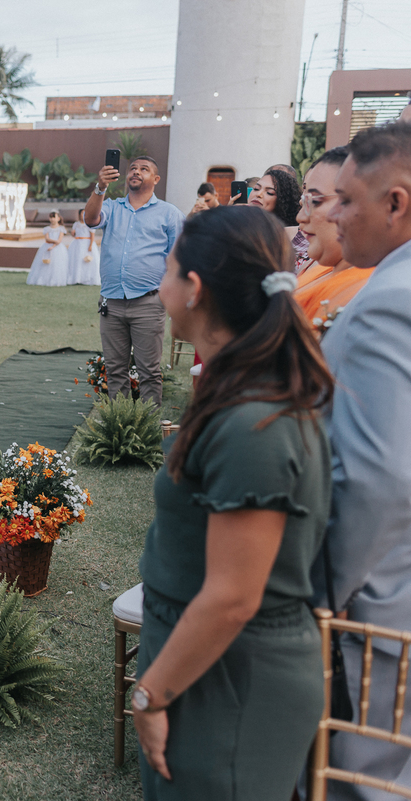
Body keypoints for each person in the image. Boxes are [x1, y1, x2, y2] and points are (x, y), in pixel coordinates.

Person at [132, 204, 333, 800]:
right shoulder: (236, 389)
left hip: (231, 677)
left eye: (166, 270)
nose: (159, 287)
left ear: (193, 289)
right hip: (197, 658)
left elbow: (232, 597)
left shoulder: (254, 422)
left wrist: (151, 696)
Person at [315, 120, 411, 799]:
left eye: (347, 199)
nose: (334, 215)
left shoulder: (388, 304)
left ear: (396, 203)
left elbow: (379, 480)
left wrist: (321, 597)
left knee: (358, 781)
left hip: (371, 607)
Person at [85, 155, 183, 406]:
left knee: (149, 371)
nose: (136, 172)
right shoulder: (112, 207)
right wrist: (100, 187)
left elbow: (180, 259)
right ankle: (119, 423)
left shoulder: (169, 214)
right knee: (115, 370)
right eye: (133, 168)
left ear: (156, 179)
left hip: (149, 303)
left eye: (144, 169)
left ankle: (149, 425)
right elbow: (90, 220)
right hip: (111, 302)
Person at [293, 146, 373, 327]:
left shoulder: (370, 295)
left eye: (315, 201)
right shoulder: (324, 267)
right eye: (304, 200)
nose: (301, 217)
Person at [26, 210, 69, 286]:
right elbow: (47, 238)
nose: (52, 219)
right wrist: (54, 242)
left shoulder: (61, 229)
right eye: (51, 217)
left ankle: (55, 280)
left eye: (54, 217)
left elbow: (59, 240)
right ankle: (43, 280)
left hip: (57, 248)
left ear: (58, 218)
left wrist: (53, 246)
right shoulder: (47, 229)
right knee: (45, 264)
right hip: (47, 246)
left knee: (57, 264)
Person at [68, 213, 100, 285]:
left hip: (86, 243)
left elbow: (92, 235)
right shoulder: (76, 224)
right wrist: (73, 233)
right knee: (77, 260)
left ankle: (88, 279)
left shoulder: (89, 223)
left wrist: (90, 245)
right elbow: (74, 234)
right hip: (77, 243)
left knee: (86, 260)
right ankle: (77, 278)